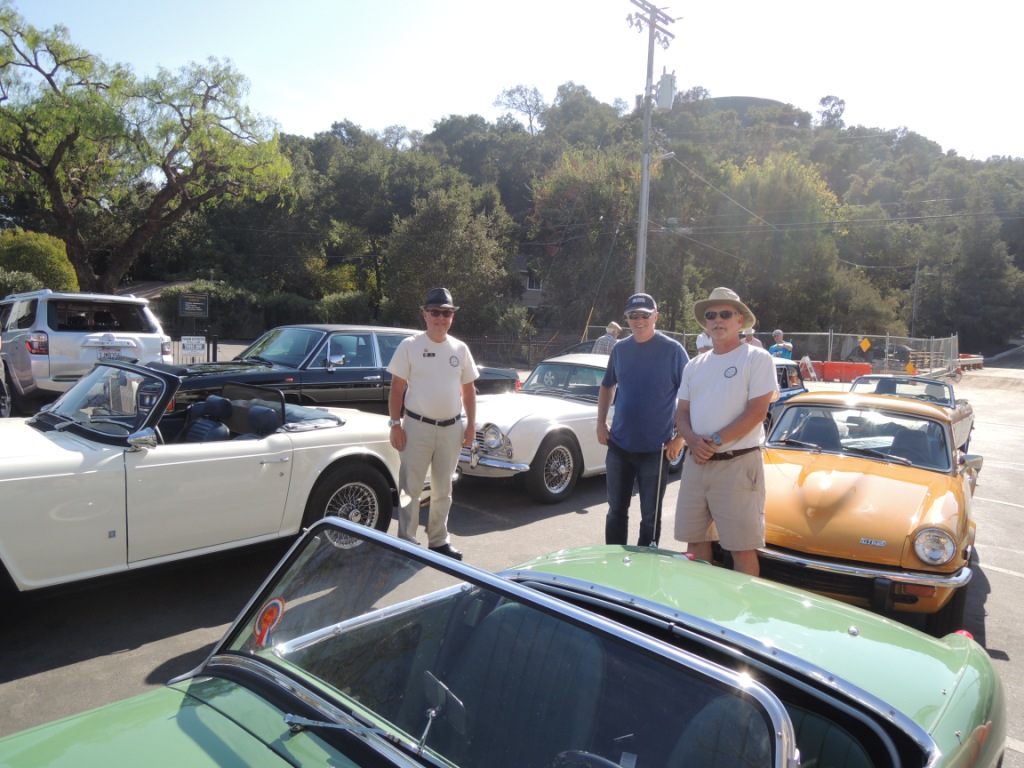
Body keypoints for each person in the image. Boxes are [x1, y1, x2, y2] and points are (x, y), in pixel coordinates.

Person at [674, 287, 778, 576]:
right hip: (696, 464)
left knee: (741, 549)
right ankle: (699, 601)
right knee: (695, 544)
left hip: (737, 464)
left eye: (725, 314)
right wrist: (693, 442)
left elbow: (757, 412)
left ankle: (740, 607)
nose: (717, 320)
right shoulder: (694, 366)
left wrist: (713, 442)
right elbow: (682, 412)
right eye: (711, 315)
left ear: (740, 320)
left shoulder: (757, 358)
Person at [387, 287, 478, 560]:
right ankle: (406, 542)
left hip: (451, 429)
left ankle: (438, 541)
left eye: (446, 313)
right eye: (435, 312)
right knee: (410, 489)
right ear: (425, 315)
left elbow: (468, 390)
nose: (440, 318)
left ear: (452, 317)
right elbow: (397, 387)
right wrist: (395, 424)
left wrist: (471, 426)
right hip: (417, 427)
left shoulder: (460, 349)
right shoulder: (410, 346)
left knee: (443, 489)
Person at [597, 293, 688, 547]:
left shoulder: (673, 351)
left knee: (650, 518)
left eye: (645, 315)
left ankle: (646, 566)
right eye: (633, 315)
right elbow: (607, 386)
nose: (639, 320)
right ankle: (615, 562)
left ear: (655, 317)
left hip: (655, 451)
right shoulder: (620, 349)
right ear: (627, 319)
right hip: (619, 446)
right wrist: (600, 423)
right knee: (616, 512)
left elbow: (692, 395)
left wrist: (681, 437)